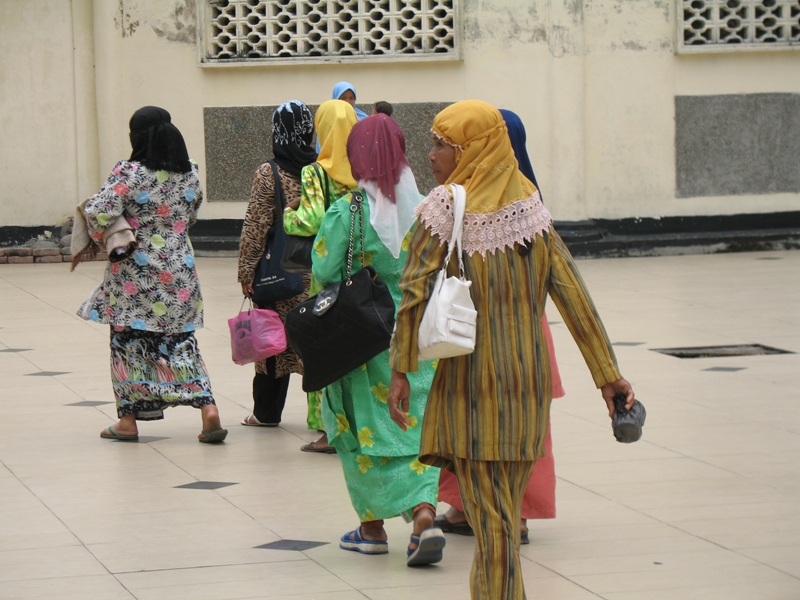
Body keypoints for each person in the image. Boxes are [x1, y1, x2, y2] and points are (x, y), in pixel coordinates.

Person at [387, 100, 635, 599]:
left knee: (493, 523)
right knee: (499, 519)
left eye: (442, 145)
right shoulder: (531, 210)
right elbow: (574, 298)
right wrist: (608, 376)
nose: (430, 154)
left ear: (472, 150)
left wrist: (400, 371)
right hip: (526, 390)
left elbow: (412, 291)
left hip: (470, 392)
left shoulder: (442, 210)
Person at [313, 113, 446, 566]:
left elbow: (325, 273)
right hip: (420, 339)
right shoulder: (431, 208)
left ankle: (371, 528)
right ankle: (424, 513)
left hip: (362, 342)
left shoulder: (347, 212)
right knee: (416, 426)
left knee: (363, 430)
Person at [434, 108, 565, 544]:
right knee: (514, 421)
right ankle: (478, 509)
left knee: (478, 418)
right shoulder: (530, 197)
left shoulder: (477, 202)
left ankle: (504, 513)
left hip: (483, 330)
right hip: (528, 331)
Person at [77, 106, 228, 444]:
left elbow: (99, 213)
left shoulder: (129, 173)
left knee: (128, 344)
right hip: (180, 274)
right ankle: (208, 410)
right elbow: (191, 217)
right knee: (181, 342)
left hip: (135, 276)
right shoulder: (189, 174)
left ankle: (128, 421)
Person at [283, 99, 360, 453]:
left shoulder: (315, 172)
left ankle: (329, 432)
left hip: (327, 270)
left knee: (324, 346)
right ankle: (363, 425)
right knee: (359, 344)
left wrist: (288, 216)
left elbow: (312, 220)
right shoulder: (363, 169)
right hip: (361, 269)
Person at [237, 100, 315, 427]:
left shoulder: (269, 172)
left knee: (272, 342)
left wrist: (246, 270)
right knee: (314, 343)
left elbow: (256, 225)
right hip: (315, 272)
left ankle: (266, 413)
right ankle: (326, 420)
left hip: (280, 274)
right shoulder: (321, 168)